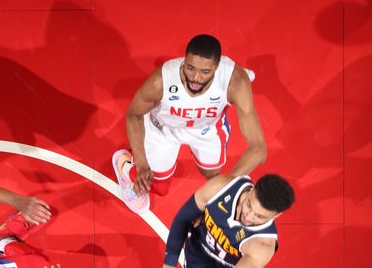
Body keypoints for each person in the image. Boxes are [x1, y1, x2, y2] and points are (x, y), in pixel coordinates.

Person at [113, 34, 267, 213]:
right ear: (184, 61)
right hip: (163, 129)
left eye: (205, 72)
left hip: (205, 129)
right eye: (190, 68)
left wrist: (226, 184)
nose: (195, 78)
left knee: (212, 174)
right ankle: (124, 164)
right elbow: (133, 114)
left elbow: (259, 149)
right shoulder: (160, 81)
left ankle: (232, 70)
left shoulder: (236, 82)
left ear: (216, 67)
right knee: (159, 188)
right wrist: (141, 165)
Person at [151, 173, 295, 268]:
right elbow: (184, 217)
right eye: (249, 205)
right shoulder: (221, 188)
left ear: (276, 216)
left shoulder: (262, 244)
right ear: (251, 190)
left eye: (259, 216)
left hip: (232, 261)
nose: (248, 216)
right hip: (202, 246)